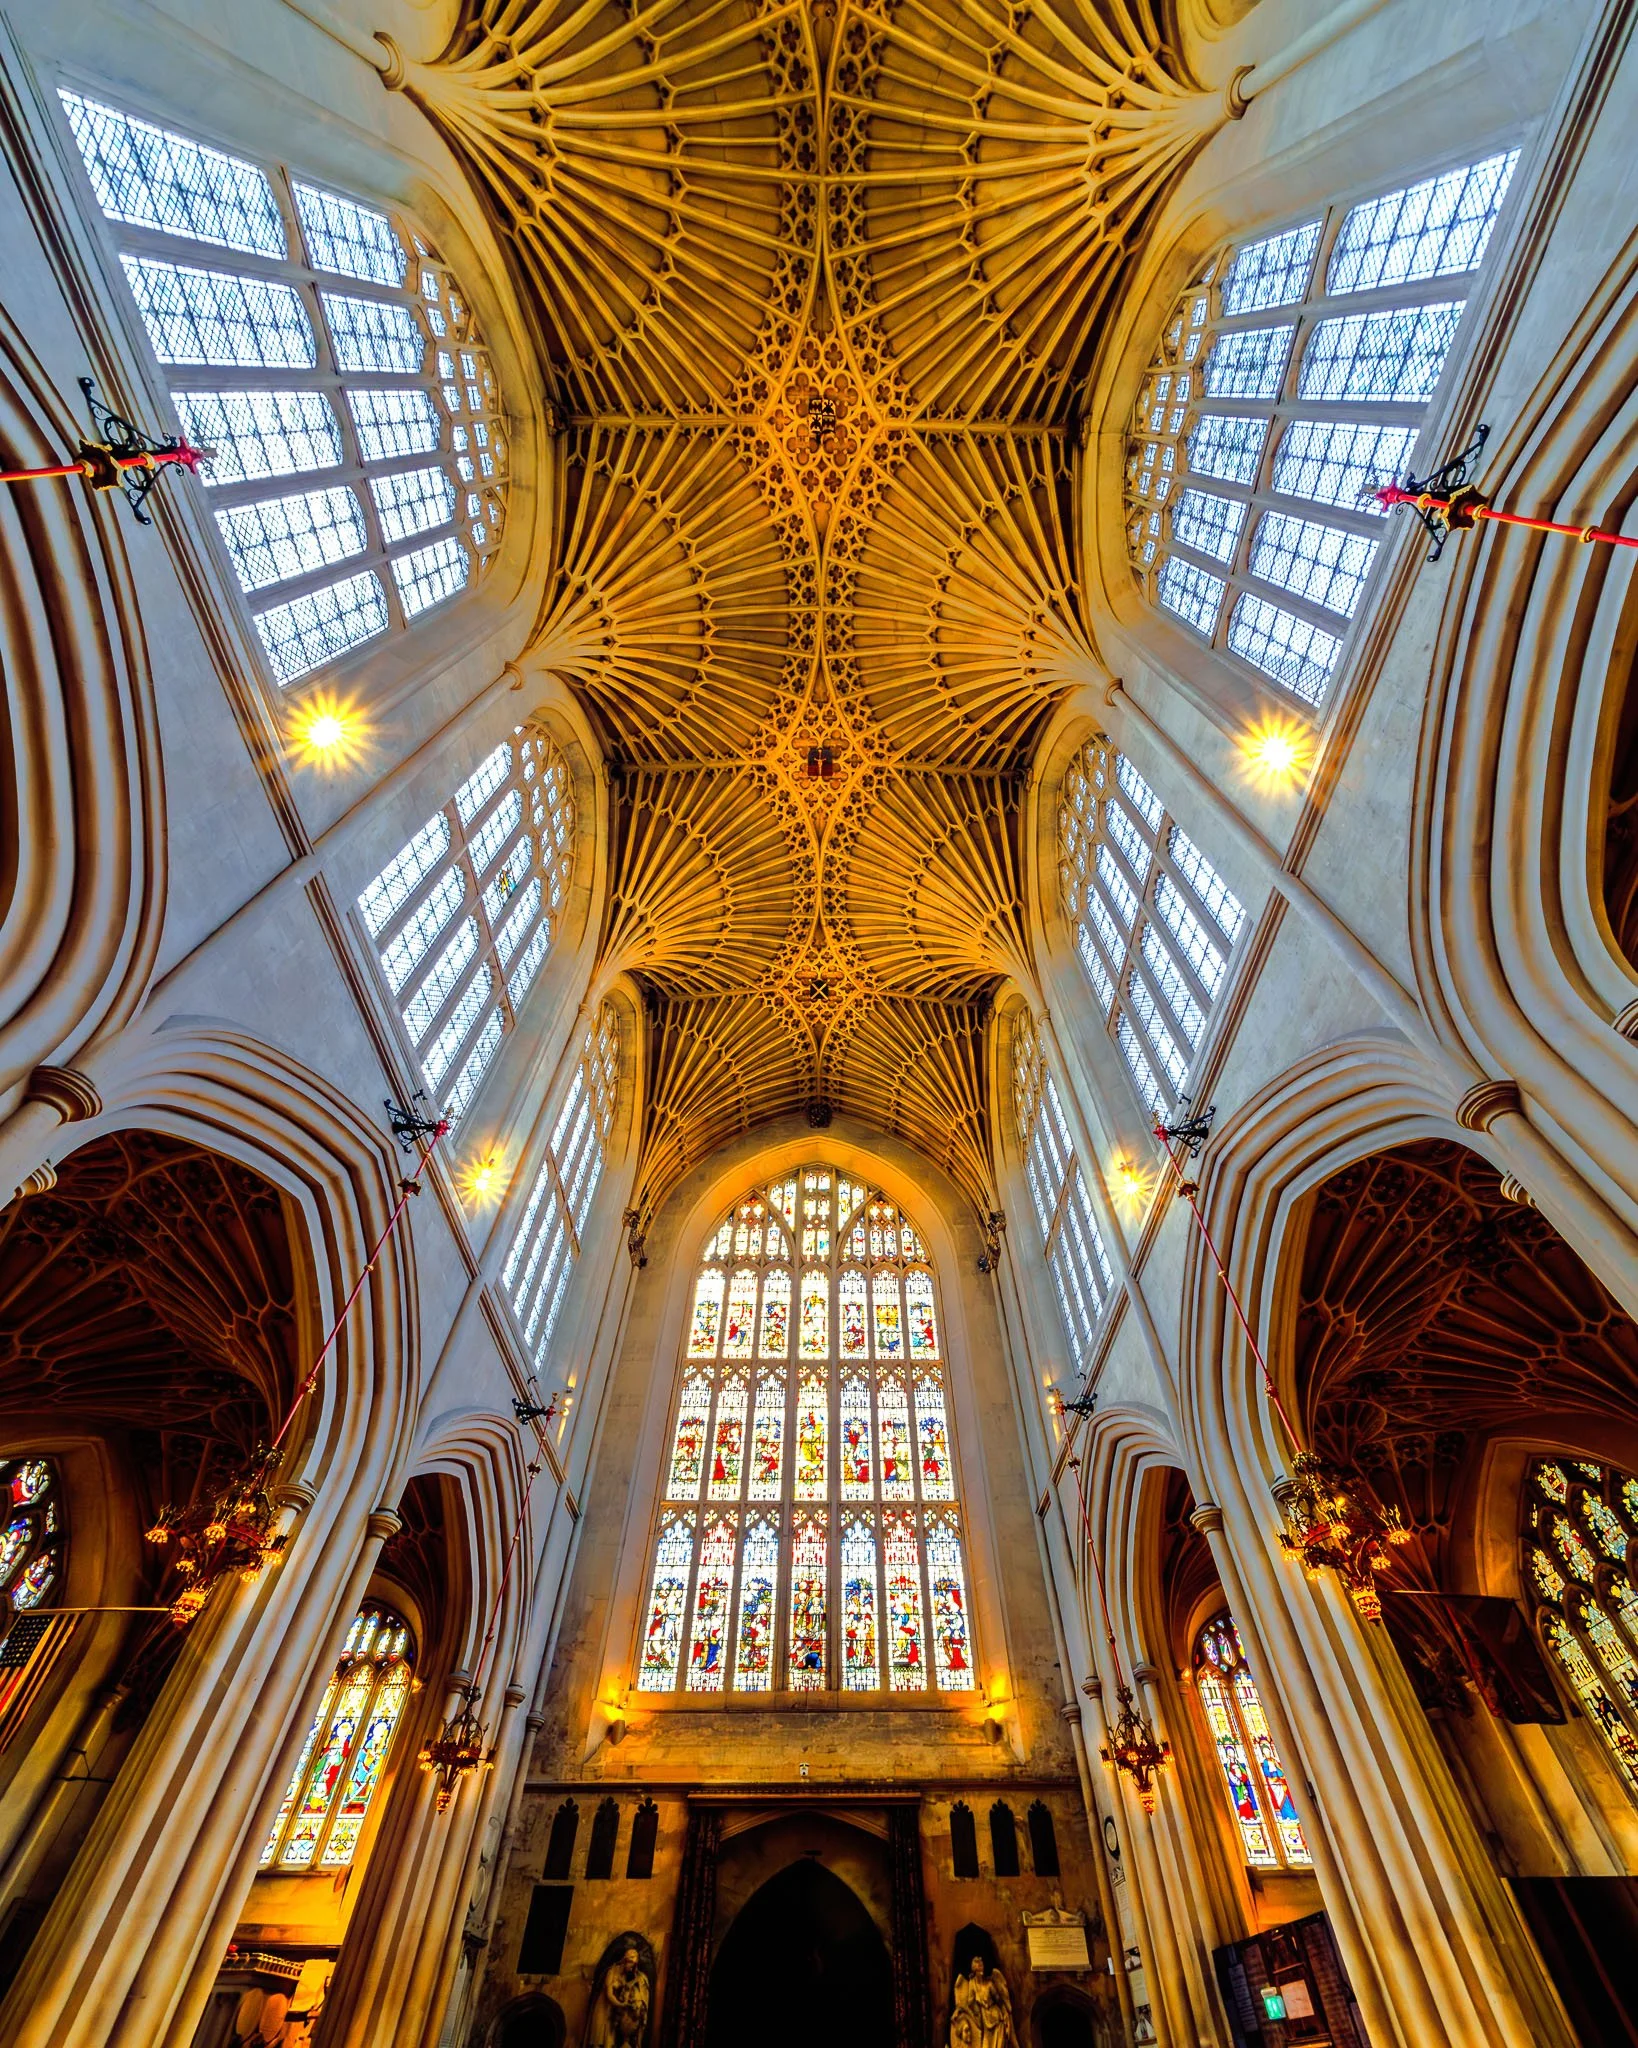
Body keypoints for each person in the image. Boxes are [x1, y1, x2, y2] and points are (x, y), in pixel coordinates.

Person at [587, 1945, 650, 2048]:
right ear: (625, 1961)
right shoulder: (612, 1971)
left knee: (610, 2041)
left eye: (634, 1965)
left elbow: (627, 1990)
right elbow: (609, 1994)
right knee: (601, 2040)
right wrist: (621, 2004)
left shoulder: (625, 1975)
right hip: (604, 2008)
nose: (632, 1967)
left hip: (612, 2011)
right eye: (631, 1964)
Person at [950, 1954, 1015, 2048]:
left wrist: (1006, 2015)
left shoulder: (989, 1984)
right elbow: (970, 2003)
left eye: (982, 1967)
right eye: (979, 1968)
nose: (982, 1970)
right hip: (985, 2021)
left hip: (996, 2020)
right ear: (975, 1970)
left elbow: (999, 2000)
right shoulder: (972, 1984)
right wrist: (960, 2009)